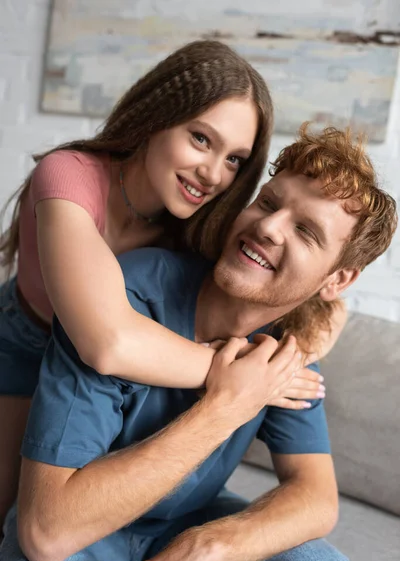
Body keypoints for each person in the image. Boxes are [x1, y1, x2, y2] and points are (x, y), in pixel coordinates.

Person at [0, 125, 396, 561]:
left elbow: (315, 497)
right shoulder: (123, 299)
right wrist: (226, 406)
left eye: (306, 231)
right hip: (82, 522)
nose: (268, 227)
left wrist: (201, 549)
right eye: (268, 203)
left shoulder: (290, 345)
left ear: (337, 279)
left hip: (184, 526)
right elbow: (47, 532)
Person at [0, 39, 275, 529]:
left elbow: (272, 300)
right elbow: (106, 342)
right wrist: (237, 378)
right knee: (13, 515)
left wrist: (317, 329)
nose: (213, 174)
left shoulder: (199, 228)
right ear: (157, 117)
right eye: (201, 139)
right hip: (27, 345)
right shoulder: (67, 176)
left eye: (235, 159)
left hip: (118, 383)